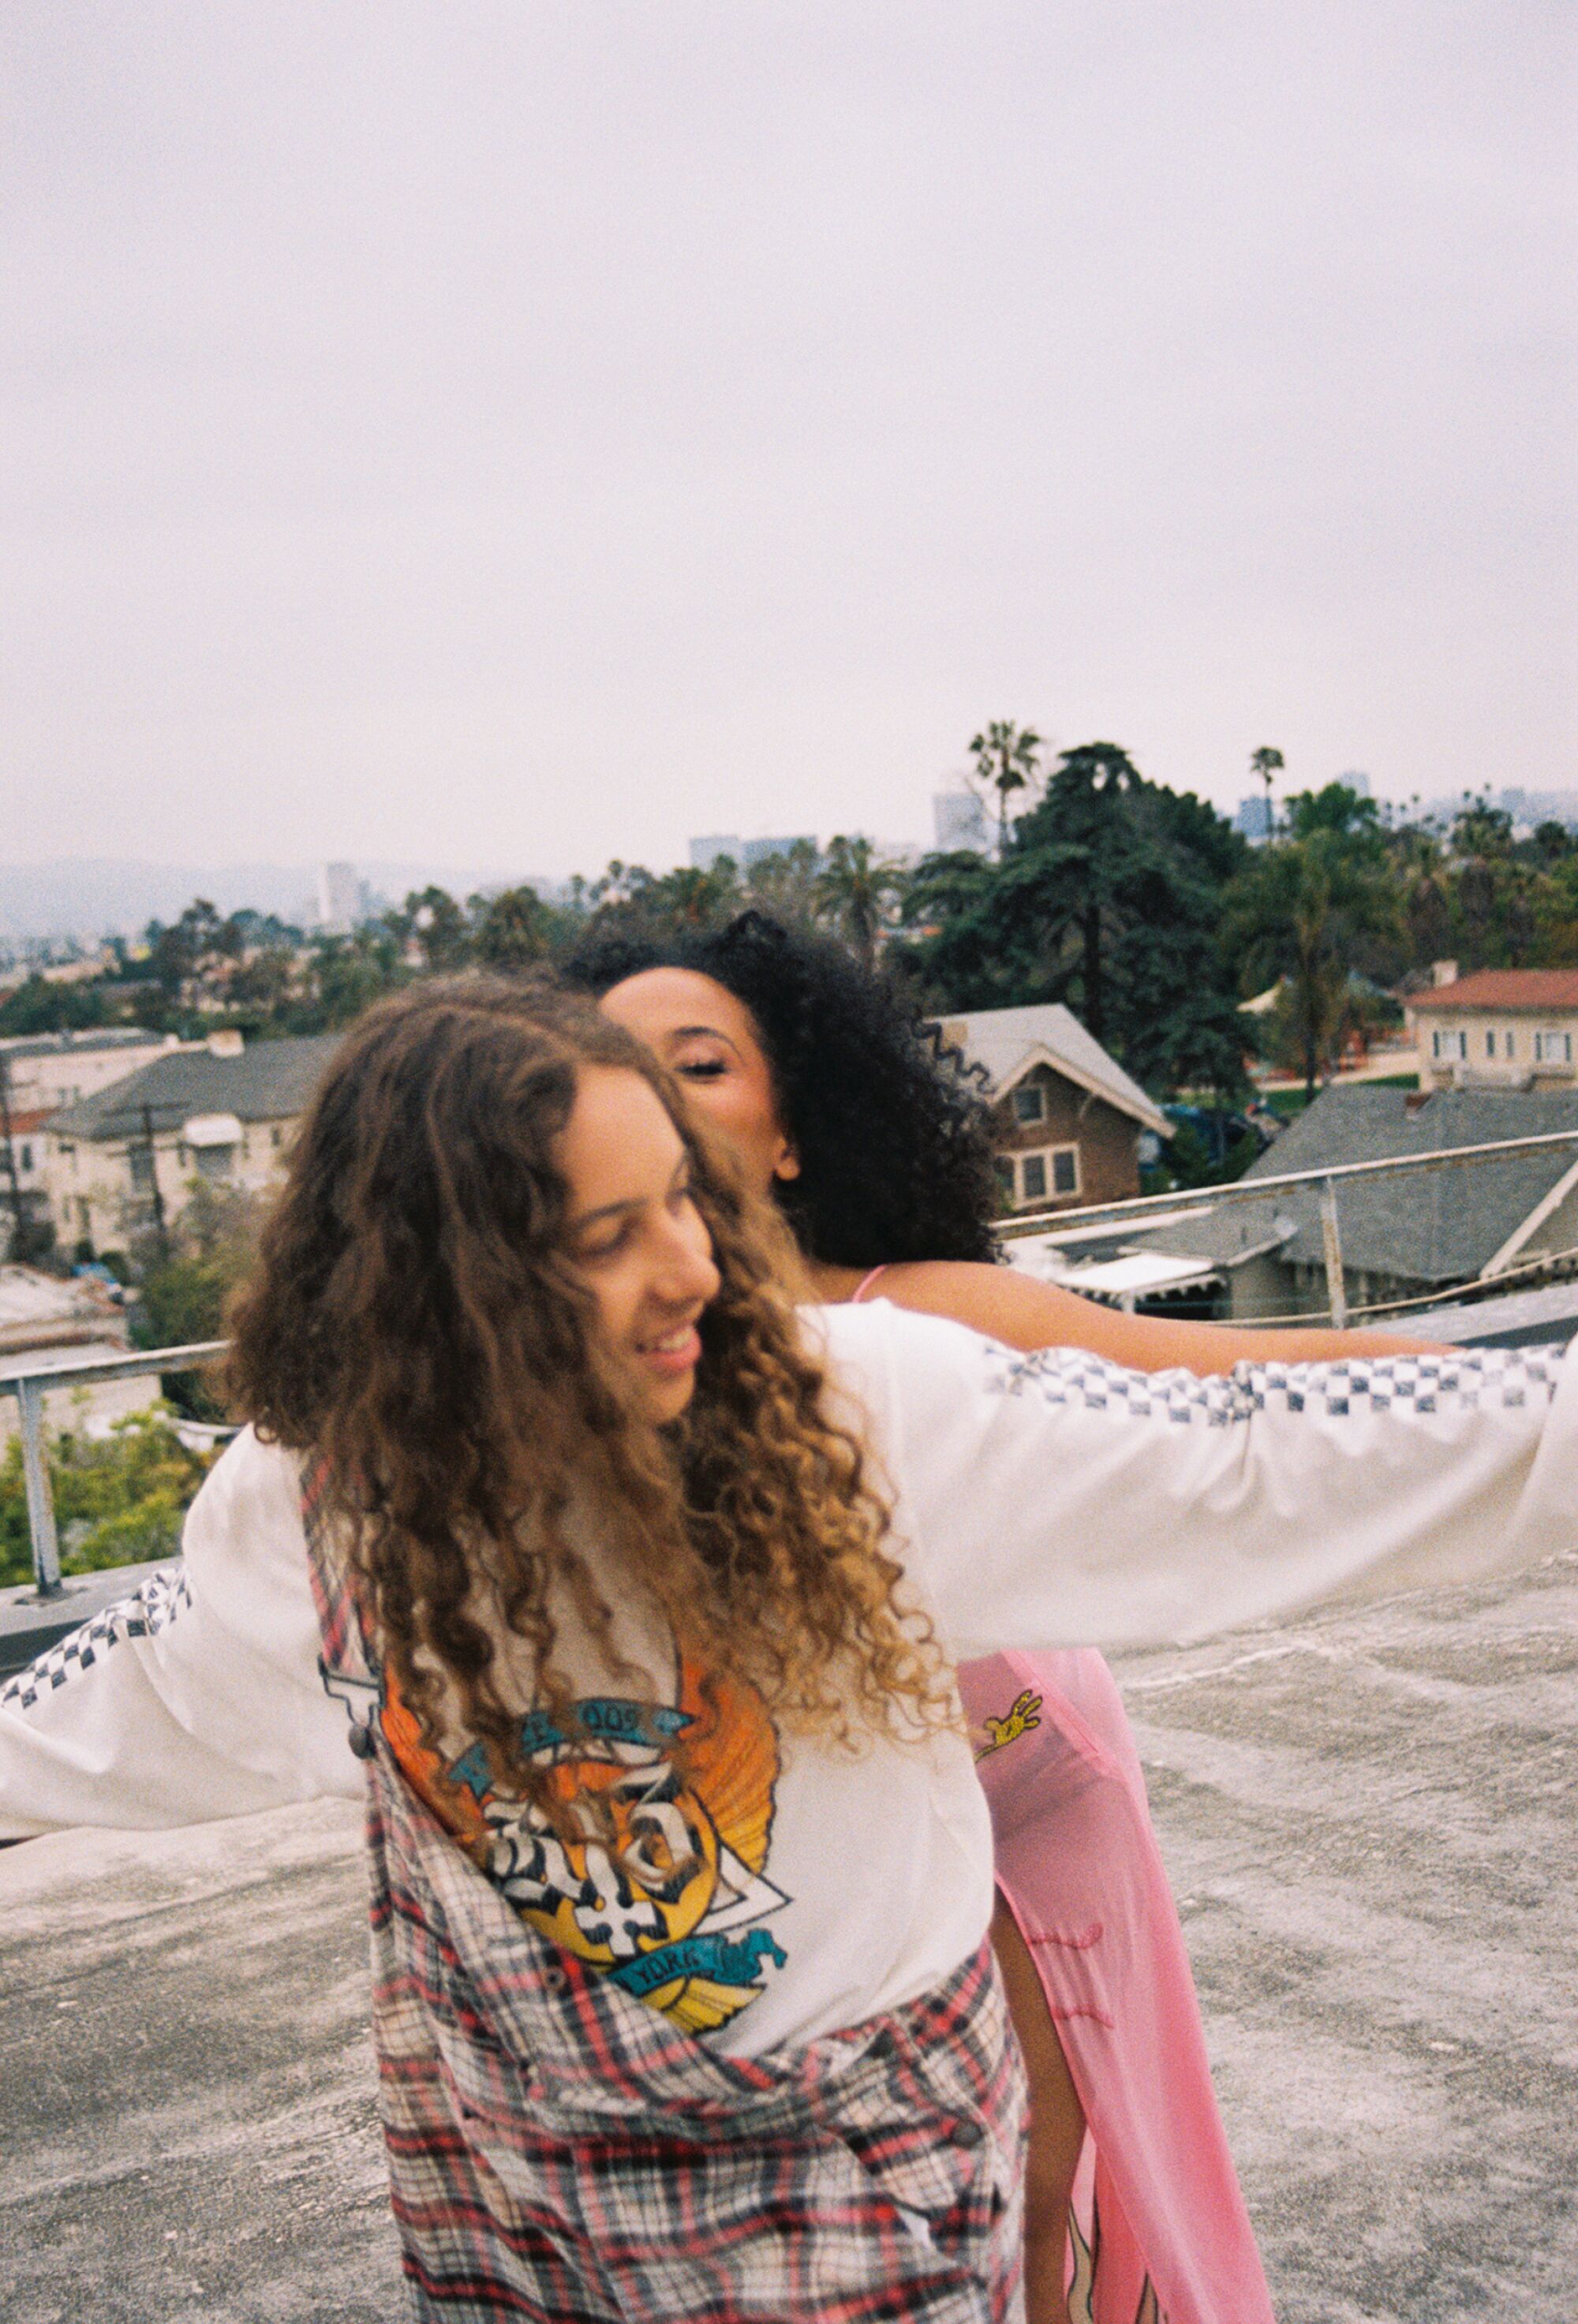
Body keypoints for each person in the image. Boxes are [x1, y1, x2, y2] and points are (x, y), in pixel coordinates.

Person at [2, 977, 1572, 2324]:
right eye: (608, 1234)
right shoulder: (309, 1506)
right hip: (510, 2199)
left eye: (682, 1198)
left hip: (847, 2206)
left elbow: (1253, 1454)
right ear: (444, 1290)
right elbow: (135, 1696)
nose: (692, 1265)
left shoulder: (871, 1411)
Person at [573, 907, 1441, 2324]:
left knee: (1029, 2183)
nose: (655, 1096)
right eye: (613, 1070)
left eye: (701, 1063)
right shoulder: (596, 1372)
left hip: (1025, 1796)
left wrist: (1508, 1394)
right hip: (842, 1852)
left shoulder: (909, 1309)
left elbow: (1227, 1375)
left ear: (794, 1133)